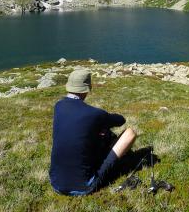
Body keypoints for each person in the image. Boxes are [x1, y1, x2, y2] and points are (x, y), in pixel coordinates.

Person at [49, 68, 137, 196]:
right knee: (130, 133)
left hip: (55, 183)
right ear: (87, 88)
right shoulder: (95, 114)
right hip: (84, 186)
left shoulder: (58, 106)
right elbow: (120, 120)